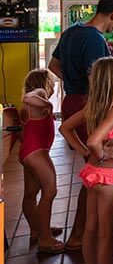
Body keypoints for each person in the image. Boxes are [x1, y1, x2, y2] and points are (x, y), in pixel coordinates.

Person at [47, 0, 113, 251]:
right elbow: (100, 82)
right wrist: (97, 99)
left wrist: (73, 84)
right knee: (95, 171)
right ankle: (78, 235)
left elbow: (53, 65)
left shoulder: (72, 32)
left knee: (93, 169)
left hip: (73, 101)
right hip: (89, 105)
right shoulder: (95, 41)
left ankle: (104, 211)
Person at [60, 57, 113, 264]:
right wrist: (99, 153)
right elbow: (93, 141)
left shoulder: (93, 105)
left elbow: (65, 128)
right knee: (107, 235)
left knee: (90, 229)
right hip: (109, 178)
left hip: (92, 174)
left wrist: (85, 153)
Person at [19, 69, 64, 254]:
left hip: (27, 153)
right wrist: (49, 105)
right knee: (50, 190)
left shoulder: (31, 108)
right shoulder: (39, 94)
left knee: (30, 193)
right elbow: (28, 97)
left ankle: (37, 230)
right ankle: (45, 238)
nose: (53, 87)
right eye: (52, 83)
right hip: (37, 153)